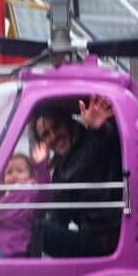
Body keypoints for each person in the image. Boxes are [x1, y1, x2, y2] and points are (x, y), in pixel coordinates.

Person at [30, 95, 123, 258]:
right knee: (33, 227)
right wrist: (41, 167)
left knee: (35, 229)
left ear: (68, 121)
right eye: (46, 134)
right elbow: (59, 217)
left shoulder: (93, 141)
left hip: (106, 241)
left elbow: (111, 141)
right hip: (90, 237)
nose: (53, 136)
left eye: (56, 127)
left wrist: (99, 128)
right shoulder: (61, 168)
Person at [0, 152, 45, 258]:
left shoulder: (30, 192)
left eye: (20, 171)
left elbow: (45, 193)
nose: (14, 175)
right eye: (9, 172)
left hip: (11, 251)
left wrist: (41, 165)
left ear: (31, 175)